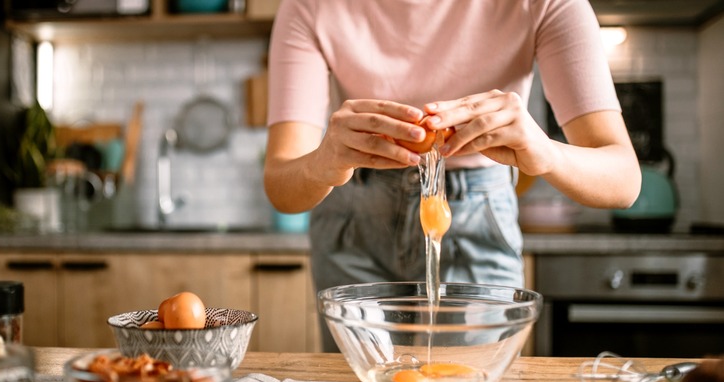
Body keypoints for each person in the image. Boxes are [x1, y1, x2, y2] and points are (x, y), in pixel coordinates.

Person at [263, 0, 642, 352]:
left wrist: (545, 152)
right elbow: (282, 186)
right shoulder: (310, 6)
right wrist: (322, 162)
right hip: (354, 223)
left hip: (480, 219)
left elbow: (623, 180)